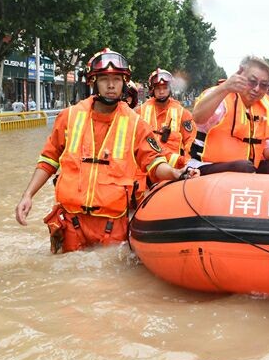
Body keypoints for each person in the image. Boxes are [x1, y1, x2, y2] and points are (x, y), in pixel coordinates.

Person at [15, 48, 198, 253]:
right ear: (93, 81)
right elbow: (48, 159)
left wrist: (175, 173)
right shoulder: (69, 117)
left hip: (112, 227)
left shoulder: (136, 124)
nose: (111, 85)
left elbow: (154, 162)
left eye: (117, 79)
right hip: (70, 224)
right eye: (104, 79)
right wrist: (28, 195)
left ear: (124, 83)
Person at [189, 56, 269, 175]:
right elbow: (197, 117)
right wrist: (225, 87)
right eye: (252, 82)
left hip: (246, 169)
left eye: (263, 85)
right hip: (204, 166)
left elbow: (267, 149)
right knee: (244, 167)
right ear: (240, 77)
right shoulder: (221, 97)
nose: (257, 89)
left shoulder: (265, 107)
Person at [137, 68, 196, 168]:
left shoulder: (182, 113)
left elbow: (190, 141)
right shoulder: (140, 111)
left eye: (165, 88)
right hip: (146, 170)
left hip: (174, 172)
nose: (161, 92)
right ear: (152, 90)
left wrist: (186, 164)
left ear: (170, 89)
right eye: (158, 88)